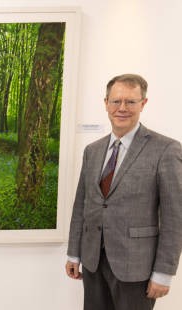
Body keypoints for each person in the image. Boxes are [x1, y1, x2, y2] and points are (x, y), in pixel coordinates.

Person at [66, 74, 182, 310]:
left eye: (130, 101)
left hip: (137, 267)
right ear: (106, 102)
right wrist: (74, 254)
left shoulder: (166, 149)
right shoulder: (93, 150)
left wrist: (163, 272)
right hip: (92, 263)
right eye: (116, 101)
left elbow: (174, 218)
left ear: (143, 103)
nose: (122, 108)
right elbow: (82, 206)